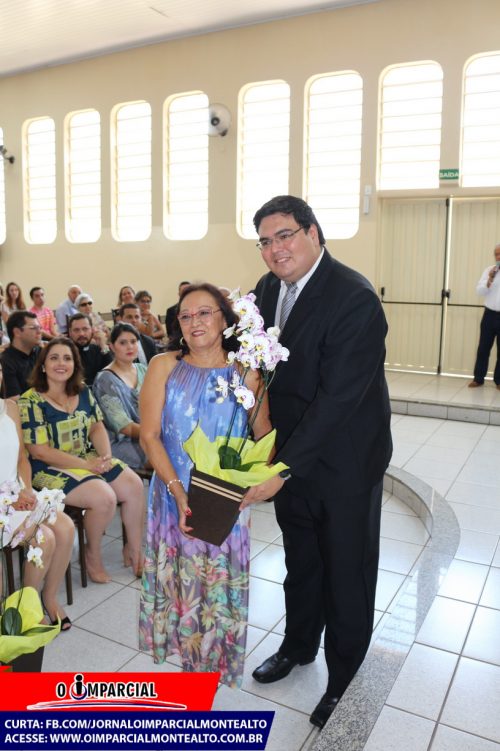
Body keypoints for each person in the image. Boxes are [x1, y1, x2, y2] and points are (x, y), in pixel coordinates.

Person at [245, 195, 392, 729]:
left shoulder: (354, 297)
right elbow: (258, 364)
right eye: (265, 241)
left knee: (346, 573)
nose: (275, 249)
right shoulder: (267, 291)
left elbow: (337, 400)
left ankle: (343, 681)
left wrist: (280, 469)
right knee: (302, 561)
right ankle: (298, 644)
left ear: (313, 233)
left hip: (345, 462)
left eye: (284, 235)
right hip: (291, 454)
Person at [139, 283, 271, 688]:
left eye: (204, 312)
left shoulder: (246, 372)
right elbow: (149, 436)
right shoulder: (163, 365)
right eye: (185, 315)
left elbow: (264, 435)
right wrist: (178, 491)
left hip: (224, 503)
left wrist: (257, 481)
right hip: (172, 496)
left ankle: (207, 670)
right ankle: (189, 669)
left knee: (215, 590)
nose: (194, 321)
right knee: (182, 588)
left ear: (225, 319)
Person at [18, 337, 145, 583]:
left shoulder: (83, 390)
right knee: (104, 498)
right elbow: (39, 451)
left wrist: (105, 456)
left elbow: (97, 426)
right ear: (42, 365)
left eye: (67, 358)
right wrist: (87, 466)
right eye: (54, 358)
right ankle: (92, 554)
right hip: (48, 468)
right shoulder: (30, 400)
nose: (61, 363)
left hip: (87, 457)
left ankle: (135, 551)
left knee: (134, 486)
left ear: (75, 365)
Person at [1, 361, 75, 629]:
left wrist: (25, 489)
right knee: (44, 538)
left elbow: (22, 457)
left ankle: (47, 597)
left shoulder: (9, 407)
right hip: (3, 501)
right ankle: (23, 609)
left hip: (16, 489)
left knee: (65, 527)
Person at [93, 323, 147, 469]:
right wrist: (156, 434)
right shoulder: (105, 380)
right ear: (111, 346)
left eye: (133, 341)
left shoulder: (143, 369)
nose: (130, 347)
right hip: (123, 442)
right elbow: (123, 426)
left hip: (150, 434)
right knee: (166, 457)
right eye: (123, 343)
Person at [468, 243, 500, 390]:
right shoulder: (489, 270)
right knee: (483, 348)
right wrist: (489, 280)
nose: (498, 257)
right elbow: (479, 291)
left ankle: (499, 381)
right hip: (489, 315)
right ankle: (478, 379)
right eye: (496, 254)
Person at [0, 311, 42, 399]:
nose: (39, 332)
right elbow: (14, 400)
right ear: (17, 332)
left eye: (39, 328)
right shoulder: (6, 361)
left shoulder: (40, 352)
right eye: (33, 328)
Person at [68, 313, 112, 386]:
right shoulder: (66, 354)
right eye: (76, 330)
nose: (81, 334)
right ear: (70, 332)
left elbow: (112, 373)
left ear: (92, 330)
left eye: (85, 329)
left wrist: (103, 345)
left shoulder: (99, 349)